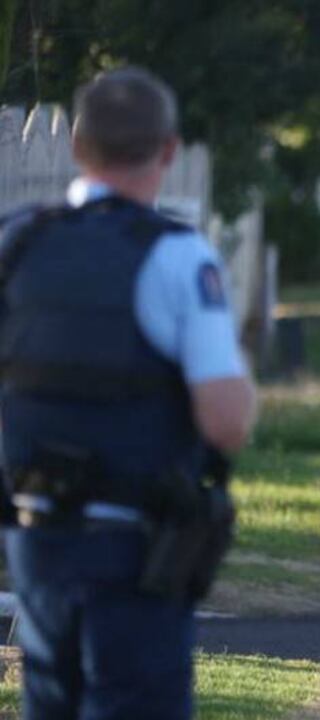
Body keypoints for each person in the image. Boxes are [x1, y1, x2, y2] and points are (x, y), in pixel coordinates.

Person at [0, 67, 256, 719]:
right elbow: (225, 420)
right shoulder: (176, 254)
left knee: (51, 700)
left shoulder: (20, 240)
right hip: (133, 543)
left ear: (77, 147)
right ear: (168, 150)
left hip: (33, 534)